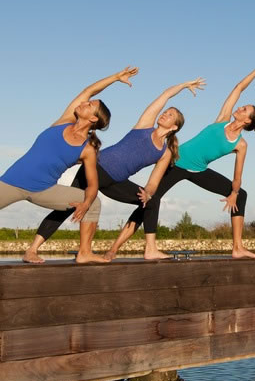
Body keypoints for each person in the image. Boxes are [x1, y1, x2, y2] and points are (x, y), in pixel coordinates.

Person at [0, 67, 138, 266]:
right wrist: (115, 78)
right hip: (10, 182)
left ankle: (85, 253)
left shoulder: (88, 149)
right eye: (88, 102)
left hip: (43, 190)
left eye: (90, 106)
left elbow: (93, 184)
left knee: (94, 203)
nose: (84, 102)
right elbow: (88, 90)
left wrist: (85, 203)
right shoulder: (64, 121)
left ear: (93, 119)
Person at [106, 58, 255, 260]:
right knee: (148, 200)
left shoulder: (240, 145)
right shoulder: (222, 120)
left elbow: (237, 176)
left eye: (244, 110)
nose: (239, 108)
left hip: (199, 171)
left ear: (247, 121)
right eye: (242, 106)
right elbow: (238, 88)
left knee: (241, 195)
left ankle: (238, 248)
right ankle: (114, 249)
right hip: (176, 163)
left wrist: (233, 193)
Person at [22, 77, 206, 263]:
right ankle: (33, 250)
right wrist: (183, 86)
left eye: (170, 115)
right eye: (166, 111)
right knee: (68, 206)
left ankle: (138, 249)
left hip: (115, 181)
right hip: (96, 167)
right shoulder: (145, 126)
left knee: (151, 201)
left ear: (174, 127)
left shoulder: (164, 153)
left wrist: (148, 194)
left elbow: (152, 183)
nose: (165, 114)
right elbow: (165, 95)